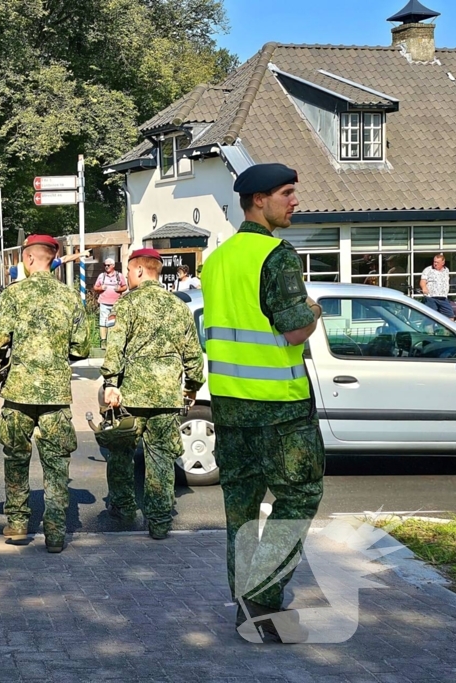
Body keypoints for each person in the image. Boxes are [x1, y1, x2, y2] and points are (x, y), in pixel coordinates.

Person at [201, 163, 323, 643]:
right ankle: (263, 601)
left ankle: (247, 603)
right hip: (280, 409)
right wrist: (314, 308)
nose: (295, 201)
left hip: (230, 407)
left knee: (242, 509)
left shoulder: (219, 258)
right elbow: (294, 328)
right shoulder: (277, 255)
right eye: (287, 193)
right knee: (299, 497)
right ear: (258, 201)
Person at [0, 234, 90, 553]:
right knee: (57, 462)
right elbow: (82, 346)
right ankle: (56, 533)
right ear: (51, 258)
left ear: (29, 259)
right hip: (56, 394)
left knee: (16, 457)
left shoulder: (13, 295)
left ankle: (17, 524)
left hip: (18, 391)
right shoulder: (69, 297)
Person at [99, 248, 204, 540]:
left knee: (120, 453)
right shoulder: (178, 306)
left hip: (131, 396)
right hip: (167, 397)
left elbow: (115, 347)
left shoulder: (127, 304)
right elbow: (193, 354)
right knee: (160, 458)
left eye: (130, 271)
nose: (128, 277)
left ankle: (123, 507)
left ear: (141, 270)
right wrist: (192, 386)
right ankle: (158, 520)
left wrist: (110, 383)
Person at [93, 257, 125, 349]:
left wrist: (119, 289)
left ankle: (114, 341)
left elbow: (125, 287)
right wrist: (100, 288)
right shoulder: (101, 276)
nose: (106, 267)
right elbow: (95, 287)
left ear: (113, 266)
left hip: (116, 303)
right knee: (103, 322)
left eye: (108, 265)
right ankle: (103, 342)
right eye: (105, 265)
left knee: (114, 322)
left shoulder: (119, 275)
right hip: (104, 302)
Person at [419, 253, 454, 319]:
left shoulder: (446, 270)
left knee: (450, 316)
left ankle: (447, 329)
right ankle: (429, 329)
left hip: (443, 298)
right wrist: (424, 287)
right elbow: (423, 281)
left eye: (437, 262)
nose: (435, 264)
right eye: (434, 262)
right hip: (431, 297)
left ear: (443, 263)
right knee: (430, 318)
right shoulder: (428, 270)